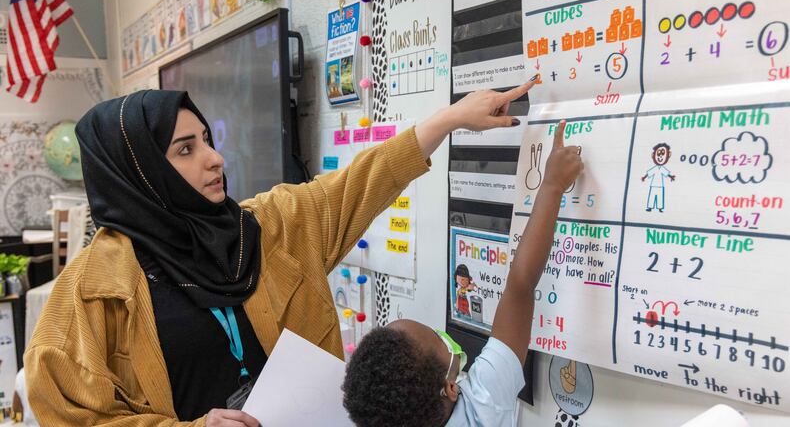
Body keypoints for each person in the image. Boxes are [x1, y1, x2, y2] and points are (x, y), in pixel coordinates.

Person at [25, 78, 538, 426]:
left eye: (206, 139)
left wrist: (449, 120)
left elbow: (356, 186)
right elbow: (70, 416)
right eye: (185, 149)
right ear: (138, 173)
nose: (214, 159)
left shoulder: (264, 227)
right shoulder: (93, 292)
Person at [342, 120, 583, 427]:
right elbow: (521, 284)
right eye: (437, 337)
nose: (443, 336)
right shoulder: (481, 408)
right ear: (451, 388)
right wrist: (552, 185)